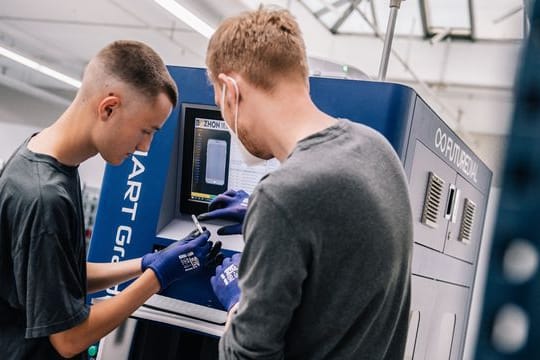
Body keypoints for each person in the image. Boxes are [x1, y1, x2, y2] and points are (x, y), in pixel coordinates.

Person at [200, 7, 414, 360]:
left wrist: (238, 304)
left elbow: (246, 356)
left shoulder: (282, 196)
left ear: (229, 91)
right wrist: (267, 219)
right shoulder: (378, 150)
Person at [0, 40, 218, 359]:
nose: (145, 147)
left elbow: (58, 279)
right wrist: (159, 278)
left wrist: (145, 264)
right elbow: (70, 338)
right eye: (146, 130)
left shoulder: (41, 158)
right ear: (109, 108)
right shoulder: (45, 198)